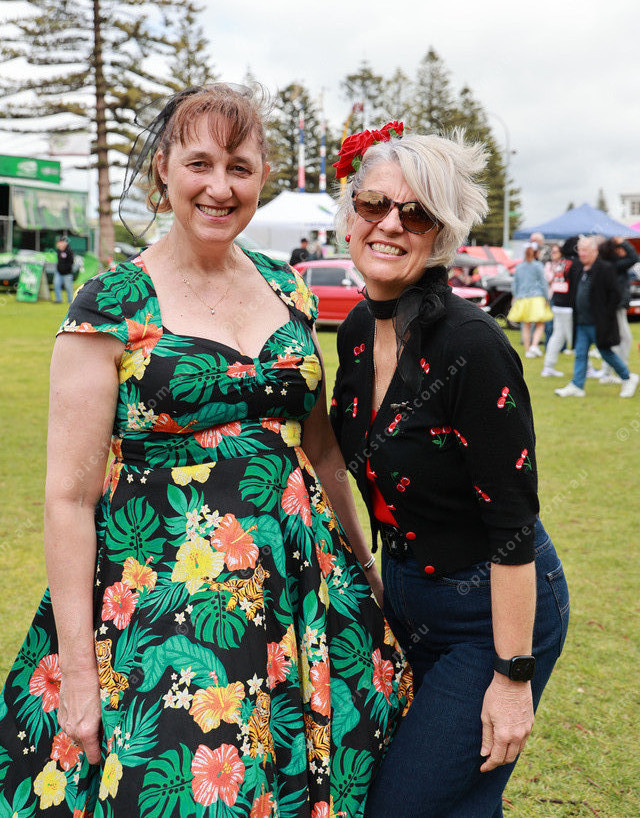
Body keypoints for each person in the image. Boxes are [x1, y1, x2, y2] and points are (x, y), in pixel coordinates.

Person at [0, 84, 411, 817]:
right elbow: (68, 497)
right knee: (189, 789)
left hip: (301, 594)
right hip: (166, 604)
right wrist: (81, 674)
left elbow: (322, 454)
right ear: (163, 168)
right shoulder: (111, 303)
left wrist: (366, 571)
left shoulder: (290, 290)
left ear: (261, 178)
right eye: (200, 164)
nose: (220, 188)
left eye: (240, 168)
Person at [330, 123, 569, 817]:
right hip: (405, 594)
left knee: (403, 804)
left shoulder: (472, 347)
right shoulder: (354, 334)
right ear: (350, 214)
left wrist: (513, 676)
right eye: (374, 204)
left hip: (491, 610)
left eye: (416, 213)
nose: (390, 224)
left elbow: (512, 526)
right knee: (456, 801)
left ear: (441, 234)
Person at [555, 235, 639, 398]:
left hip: (598, 322)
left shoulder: (605, 269)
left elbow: (615, 295)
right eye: (580, 250)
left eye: (586, 250)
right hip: (582, 322)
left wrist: (605, 315)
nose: (582, 253)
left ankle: (628, 377)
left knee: (606, 353)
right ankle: (577, 385)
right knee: (580, 353)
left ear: (594, 251)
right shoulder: (580, 269)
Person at [596, 237, 638, 383]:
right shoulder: (614, 265)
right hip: (616, 307)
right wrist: (622, 242)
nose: (622, 251)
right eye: (618, 249)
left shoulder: (609, 264)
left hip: (614, 307)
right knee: (622, 339)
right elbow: (633, 258)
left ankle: (609, 372)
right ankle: (619, 371)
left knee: (616, 339)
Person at [507, 242, 553, 357]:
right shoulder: (538, 266)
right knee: (540, 323)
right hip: (536, 298)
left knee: (526, 325)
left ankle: (528, 350)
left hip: (522, 299)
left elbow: (515, 285)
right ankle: (534, 345)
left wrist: (516, 296)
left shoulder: (519, 267)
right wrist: (546, 297)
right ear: (536, 252)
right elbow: (543, 283)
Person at [541, 243, 573, 377]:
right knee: (575, 338)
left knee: (558, 335)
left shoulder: (560, 264)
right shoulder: (568, 264)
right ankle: (586, 368)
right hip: (565, 304)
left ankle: (548, 366)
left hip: (558, 302)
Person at [53, 236, 75, 303]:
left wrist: (65, 269)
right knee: (56, 285)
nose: (58, 244)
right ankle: (59, 299)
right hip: (59, 272)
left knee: (68, 287)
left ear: (64, 243)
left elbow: (71, 262)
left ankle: (71, 300)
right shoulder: (58, 251)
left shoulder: (69, 251)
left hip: (67, 273)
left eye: (60, 242)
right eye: (58, 243)